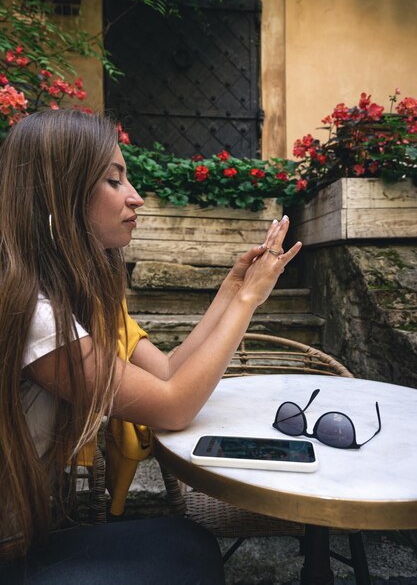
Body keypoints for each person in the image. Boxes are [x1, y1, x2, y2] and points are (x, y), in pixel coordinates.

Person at [0, 108, 302, 584]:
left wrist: (230, 290)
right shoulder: (33, 315)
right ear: (59, 191)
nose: (136, 198)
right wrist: (249, 299)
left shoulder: (69, 303)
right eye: (114, 180)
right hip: (12, 554)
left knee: (189, 543)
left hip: (29, 538)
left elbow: (164, 374)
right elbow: (175, 405)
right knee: (187, 552)